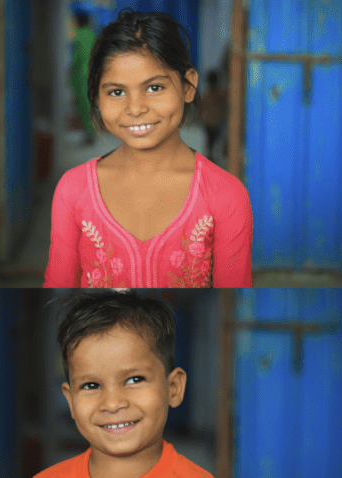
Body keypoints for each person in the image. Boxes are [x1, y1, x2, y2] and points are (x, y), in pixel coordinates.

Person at [0, 290, 234, 478]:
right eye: (91, 385)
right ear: (71, 401)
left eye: (135, 379)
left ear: (173, 388)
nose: (112, 403)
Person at [44, 9, 252, 288]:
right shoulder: (73, 190)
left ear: (188, 85)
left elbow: (232, 291)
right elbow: (59, 282)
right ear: (96, 97)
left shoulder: (225, 195)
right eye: (116, 92)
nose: (135, 108)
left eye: (154, 88)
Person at [71, 9, 96, 145]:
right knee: (89, 105)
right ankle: (91, 133)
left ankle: (89, 134)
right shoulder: (92, 35)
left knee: (83, 106)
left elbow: (77, 60)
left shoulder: (80, 35)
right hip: (92, 74)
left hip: (81, 75)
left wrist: (72, 79)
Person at [200, 70, 228, 163]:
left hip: (214, 124)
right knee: (213, 147)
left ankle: (211, 159)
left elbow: (200, 110)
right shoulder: (220, 95)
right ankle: (211, 159)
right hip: (214, 124)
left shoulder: (208, 96)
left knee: (212, 146)